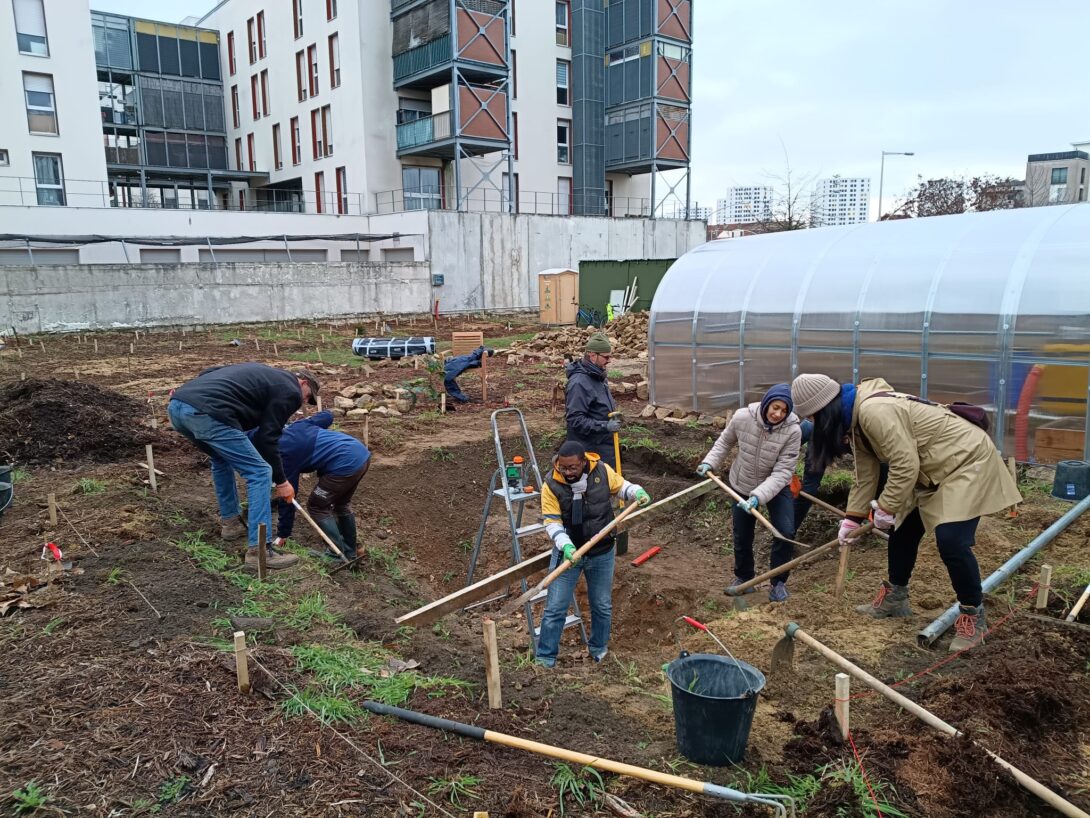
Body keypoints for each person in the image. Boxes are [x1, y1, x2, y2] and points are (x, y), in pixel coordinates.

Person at [791, 374, 1022, 651]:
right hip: (930, 469)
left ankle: (973, 615)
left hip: (964, 462)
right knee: (903, 530)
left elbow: (904, 464)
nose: (814, 426)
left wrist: (886, 507)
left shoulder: (874, 412)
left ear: (824, 410)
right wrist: (852, 518)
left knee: (952, 541)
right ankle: (895, 599)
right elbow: (866, 475)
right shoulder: (855, 421)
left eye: (814, 419)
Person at [168, 363, 320, 570]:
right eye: (307, 396)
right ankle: (260, 551)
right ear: (303, 382)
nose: (303, 402)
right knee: (260, 472)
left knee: (221, 459)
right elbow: (268, 438)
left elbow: (208, 371)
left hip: (178, 407)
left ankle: (230, 523)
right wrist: (282, 481)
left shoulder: (264, 375)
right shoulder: (290, 389)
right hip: (209, 414)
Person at [536, 440, 650, 667]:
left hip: (602, 552)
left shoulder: (602, 471)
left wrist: (638, 492)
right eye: (563, 467)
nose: (567, 472)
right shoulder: (551, 484)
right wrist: (566, 546)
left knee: (602, 605)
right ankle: (545, 658)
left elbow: (623, 487)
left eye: (572, 467)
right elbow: (552, 522)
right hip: (568, 553)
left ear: (583, 463)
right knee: (555, 608)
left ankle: (599, 649)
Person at [696, 384, 802, 601]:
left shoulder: (793, 431)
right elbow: (725, 441)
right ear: (766, 403)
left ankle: (778, 582)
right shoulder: (743, 417)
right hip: (742, 482)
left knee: (785, 532)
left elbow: (783, 471)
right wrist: (709, 462)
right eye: (775, 407)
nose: (778, 414)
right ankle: (744, 578)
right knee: (742, 535)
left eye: (784, 411)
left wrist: (758, 496)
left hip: (776, 486)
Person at [251, 410, 370, 561]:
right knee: (341, 504)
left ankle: (336, 553)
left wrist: (283, 533)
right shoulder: (299, 425)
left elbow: (288, 497)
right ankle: (351, 551)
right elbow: (327, 415)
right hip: (361, 454)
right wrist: (307, 420)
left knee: (317, 505)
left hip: (344, 463)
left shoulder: (283, 454)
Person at [564, 332, 619, 468]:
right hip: (590, 453)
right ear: (593, 356)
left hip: (604, 447)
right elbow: (575, 420)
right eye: (606, 357)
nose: (609, 360)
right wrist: (604, 426)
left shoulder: (598, 377)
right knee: (596, 489)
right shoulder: (579, 383)